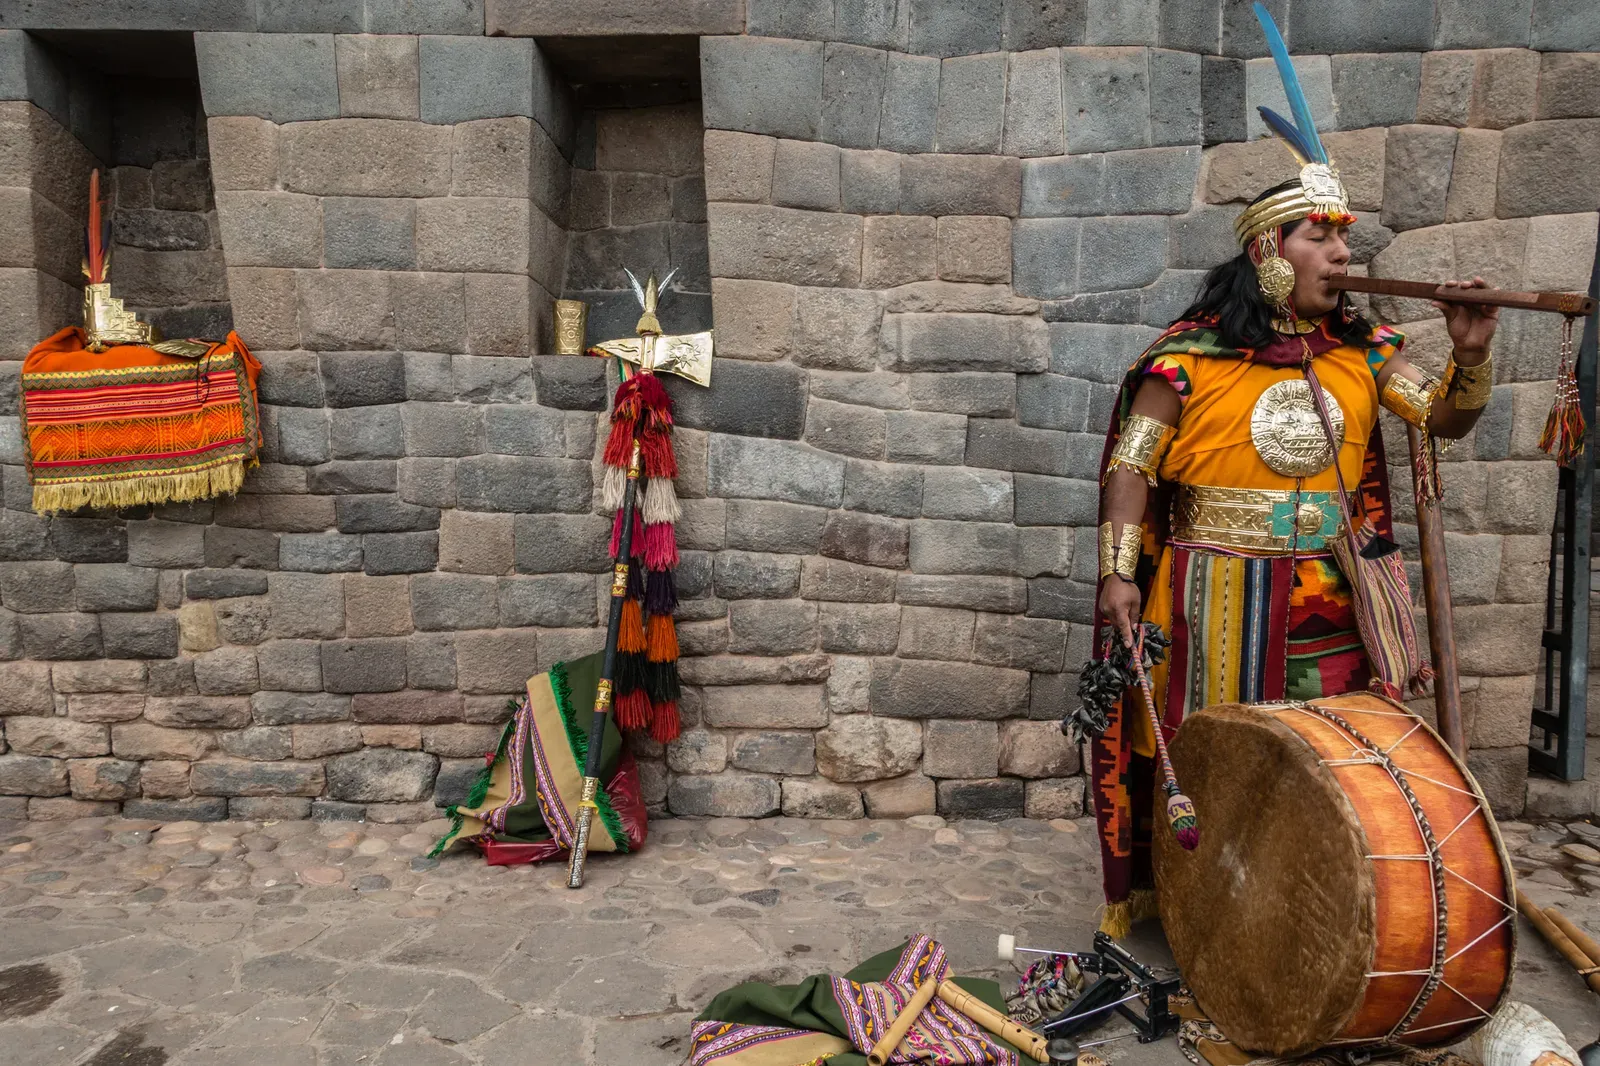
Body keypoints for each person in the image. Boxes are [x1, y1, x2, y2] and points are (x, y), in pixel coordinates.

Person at [1088, 68, 1499, 937]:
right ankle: (1212, 914)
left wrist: (1469, 357)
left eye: (1343, 241)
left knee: (1337, 751)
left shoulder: (1364, 350)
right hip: (1212, 593)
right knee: (1216, 753)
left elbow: (1440, 419)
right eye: (1322, 237)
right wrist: (1119, 574)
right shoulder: (1186, 359)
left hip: (1329, 595)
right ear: (1268, 251)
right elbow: (1132, 470)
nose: (1344, 256)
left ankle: (1319, 901)